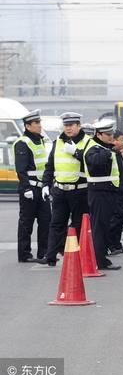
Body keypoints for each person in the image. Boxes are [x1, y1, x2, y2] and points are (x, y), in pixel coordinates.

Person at [40, 112, 91, 267]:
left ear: (78, 126)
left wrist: (76, 153)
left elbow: (92, 163)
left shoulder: (87, 142)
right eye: (66, 125)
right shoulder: (58, 142)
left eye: (71, 125)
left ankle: (77, 257)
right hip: (60, 190)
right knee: (56, 224)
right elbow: (50, 166)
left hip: (80, 190)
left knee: (77, 225)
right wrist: (45, 185)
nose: (68, 129)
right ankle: (50, 257)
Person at [83, 120, 122, 270]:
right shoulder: (93, 148)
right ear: (99, 134)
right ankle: (99, 260)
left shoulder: (102, 147)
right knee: (99, 227)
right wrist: (108, 151)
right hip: (99, 192)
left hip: (107, 192)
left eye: (112, 133)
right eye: (108, 134)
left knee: (105, 226)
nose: (111, 136)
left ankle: (102, 257)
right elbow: (95, 163)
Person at [13, 109, 51, 263]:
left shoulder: (39, 140)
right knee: (26, 222)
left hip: (42, 188)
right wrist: (26, 188)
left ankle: (44, 252)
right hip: (30, 188)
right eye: (36, 123)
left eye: (39, 122)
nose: (39, 125)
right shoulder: (22, 143)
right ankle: (24, 254)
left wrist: (47, 185)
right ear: (28, 126)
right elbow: (21, 169)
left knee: (45, 220)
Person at [107, 130, 123, 256]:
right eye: (120, 139)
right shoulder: (110, 153)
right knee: (115, 219)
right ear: (113, 140)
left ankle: (117, 244)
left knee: (121, 218)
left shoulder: (118, 153)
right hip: (115, 191)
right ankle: (111, 244)